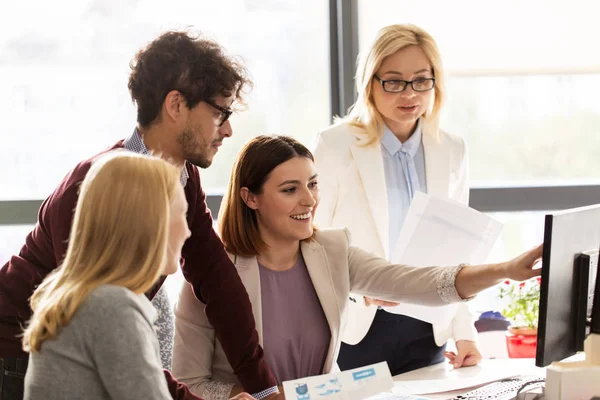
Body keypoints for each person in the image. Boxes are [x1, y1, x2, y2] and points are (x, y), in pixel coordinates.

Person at [0, 30, 279, 400]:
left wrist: (265, 390)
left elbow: (218, 280)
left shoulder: (182, 177)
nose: (227, 129)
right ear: (176, 106)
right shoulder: (98, 186)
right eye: (218, 112)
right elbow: (113, 335)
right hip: (16, 352)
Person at [171, 135, 542, 400]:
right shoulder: (211, 276)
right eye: (290, 189)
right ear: (250, 197)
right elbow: (191, 382)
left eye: (313, 185)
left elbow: (419, 283)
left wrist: (504, 269)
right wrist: (239, 397)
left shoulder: (332, 250)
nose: (310, 200)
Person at [313, 23, 481, 375]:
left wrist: (465, 332)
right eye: (394, 81)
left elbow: (458, 248)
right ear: (370, 83)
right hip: (359, 326)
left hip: (428, 327)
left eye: (422, 80)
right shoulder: (335, 146)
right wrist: (358, 291)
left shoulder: (452, 149)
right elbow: (312, 244)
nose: (410, 94)